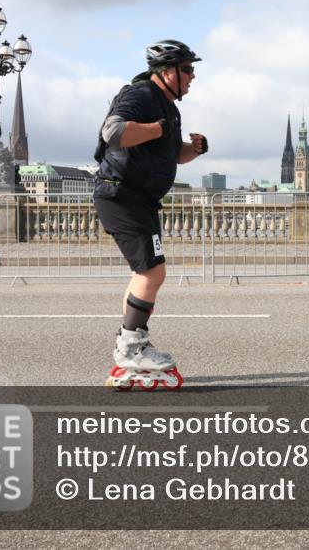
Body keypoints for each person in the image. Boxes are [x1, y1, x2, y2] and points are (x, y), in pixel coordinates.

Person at [93, 40, 208, 390]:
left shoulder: (169, 108)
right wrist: (156, 129)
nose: (192, 76)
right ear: (166, 71)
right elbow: (112, 132)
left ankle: (130, 340)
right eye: (187, 69)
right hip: (121, 194)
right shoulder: (141, 94)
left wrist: (195, 149)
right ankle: (131, 347)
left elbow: (171, 156)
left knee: (147, 272)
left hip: (138, 199)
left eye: (192, 70)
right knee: (152, 271)